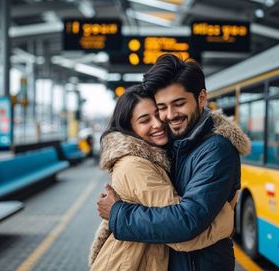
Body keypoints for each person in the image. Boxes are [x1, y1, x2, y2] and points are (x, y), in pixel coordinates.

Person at [97, 54, 251, 271]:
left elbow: (186, 222)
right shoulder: (171, 146)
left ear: (201, 98)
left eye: (179, 104)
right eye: (162, 107)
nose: (169, 116)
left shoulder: (216, 149)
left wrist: (119, 215)